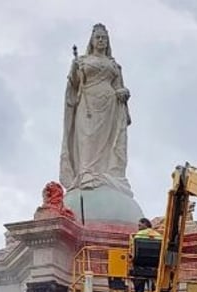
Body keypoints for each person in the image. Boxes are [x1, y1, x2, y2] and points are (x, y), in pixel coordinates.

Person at [59, 23, 132, 195]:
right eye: (98, 37)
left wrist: (123, 92)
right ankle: (86, 174)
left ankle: (106, 175)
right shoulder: (82, 61)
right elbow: (74, 85)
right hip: (87, 103)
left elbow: (119, 86)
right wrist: (74, 71)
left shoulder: (114, 65)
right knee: (88, 137)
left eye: (104, 38)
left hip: (110, 105)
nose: (101, 41)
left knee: (108, 141)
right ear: (91, 41)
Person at [132, 218, 162, 292]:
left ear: (145, 224)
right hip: (155, 266)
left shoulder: (139, 234)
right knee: (154, 285)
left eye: (140, 225)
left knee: (139, 285)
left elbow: (134, 249)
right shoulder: (158, 235)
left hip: (140, 265)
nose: (138, 227)